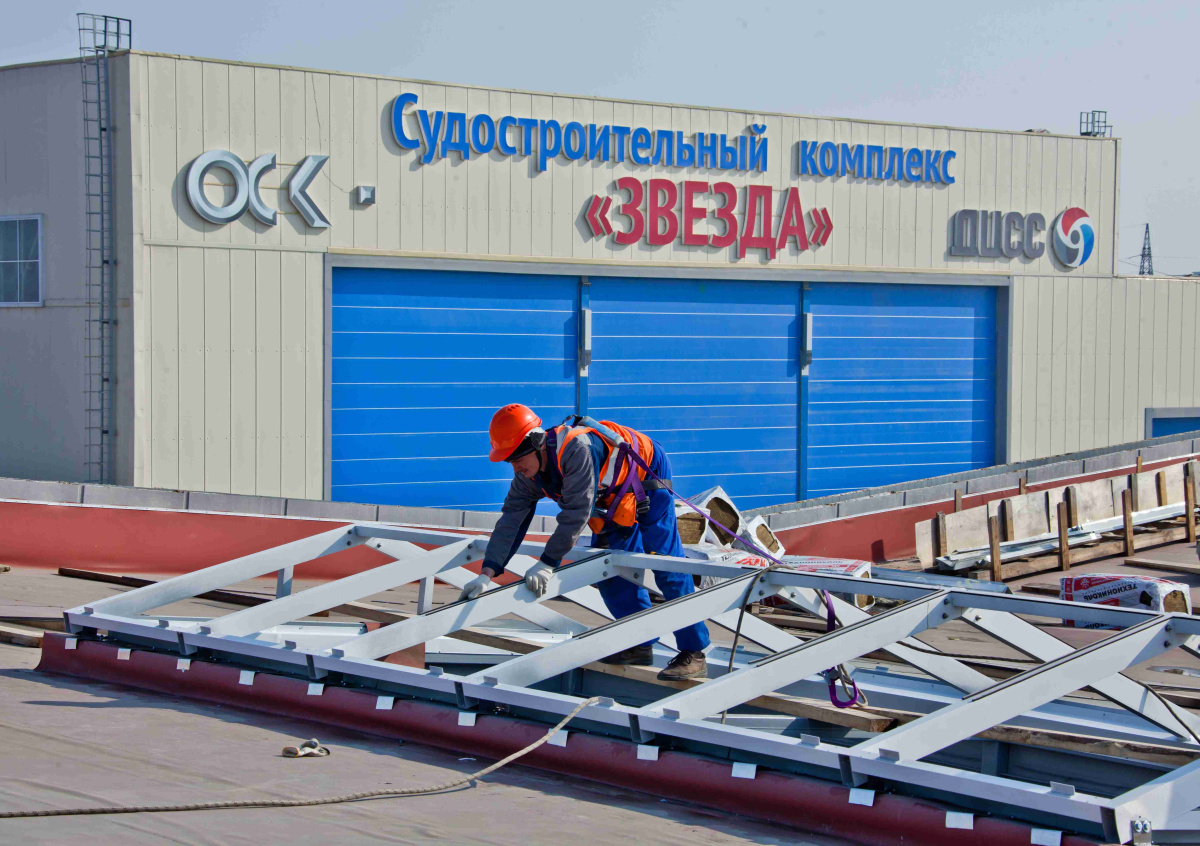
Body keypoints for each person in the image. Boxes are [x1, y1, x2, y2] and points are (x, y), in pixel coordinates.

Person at [457, 404, 709, 681]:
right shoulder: (527, 475)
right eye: (509, 461)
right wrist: (487, 572)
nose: (515, 467)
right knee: (609, 568)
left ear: (537, 443)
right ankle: (638, 644)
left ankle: (694, 652)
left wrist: (547, 562)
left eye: (517, 458)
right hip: (611, 494)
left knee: (667, 564)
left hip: (646, 474)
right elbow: (511, 521)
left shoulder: (576, 450)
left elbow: (577, 512)